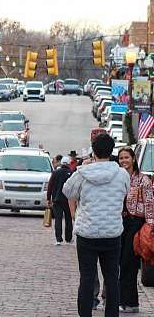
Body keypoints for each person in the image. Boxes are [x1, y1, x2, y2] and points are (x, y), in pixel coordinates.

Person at [63, 133, 130, 317]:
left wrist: (81, 170)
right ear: (112, 151)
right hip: (112, 232)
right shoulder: (122, 174)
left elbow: (67, 191)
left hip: (87, 233)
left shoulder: (83, 173)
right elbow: (126, 191)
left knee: (86, 278)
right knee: (112, 280)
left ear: (93, 151)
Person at [118, 147, 154, 313]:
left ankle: (131, 302)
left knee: (129, 262)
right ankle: (123, 300)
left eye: (126, 157)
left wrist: (150, 225)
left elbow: (149, 204)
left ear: (133, 159)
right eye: (121, 158)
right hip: (120, 222)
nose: (124, 161)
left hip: (136, 223)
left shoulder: (143, 180)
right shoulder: (118, 178)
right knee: (120, 262)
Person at [47, 156, 74, 245]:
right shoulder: (71, 173)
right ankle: (68, 238)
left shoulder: (55, 172)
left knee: (58, 219)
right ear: (69, 163)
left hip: (57, 199)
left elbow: (50, 186)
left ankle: (58, 239)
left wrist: (48, 198)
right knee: (68, 219)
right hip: (68, 199)